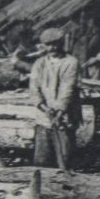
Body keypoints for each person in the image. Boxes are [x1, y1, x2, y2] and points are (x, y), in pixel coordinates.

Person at [28, 26, 81, 168]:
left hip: (64, 116)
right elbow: (34, 88)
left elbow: (67, 88)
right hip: (44, 116)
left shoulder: (71, 62)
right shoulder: (39, 64)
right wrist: (43, 107)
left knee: (65, 157)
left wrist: (60, 110)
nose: (52, 48)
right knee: (42, 159)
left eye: (55, 44)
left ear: (61, 43)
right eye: (48, 44)